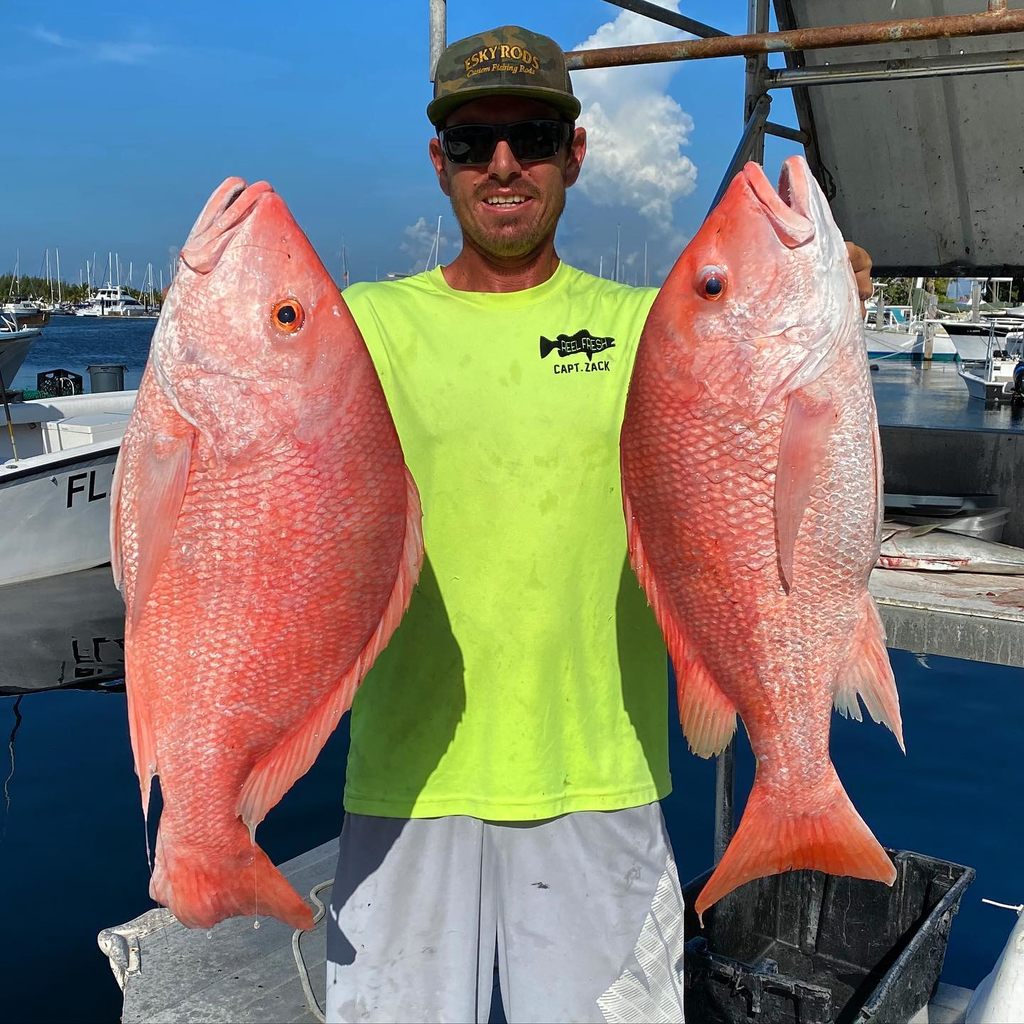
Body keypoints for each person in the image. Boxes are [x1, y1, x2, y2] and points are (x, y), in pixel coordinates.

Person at [324, 25, 874, 1024]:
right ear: (439, 160)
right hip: (405, 781)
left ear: (574, 154)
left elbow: (753, 423)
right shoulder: (362, 326)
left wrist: (830, 303)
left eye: (533, 137)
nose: (503, 164)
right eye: (473, 140)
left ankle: (799, 794)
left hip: (599, 774)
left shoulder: (647, 327)